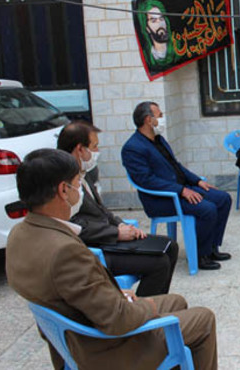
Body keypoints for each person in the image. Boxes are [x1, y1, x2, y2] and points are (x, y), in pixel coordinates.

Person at [6, 149, 217, 369]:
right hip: (103, 348)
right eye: (77, 183)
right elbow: (117, 320)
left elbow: (72, 292)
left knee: (176, 301)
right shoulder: (64, 252)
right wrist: (147, 307)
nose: (80, 190)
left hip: (77, 327)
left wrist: (115, 293)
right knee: (203, 319)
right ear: (63, 190)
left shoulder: (20, 234)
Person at [57, 120, 178, 297]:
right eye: (94, 146)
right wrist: (116, 233)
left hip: (108, 236)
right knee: (159, 263)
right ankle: (141, 309)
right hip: (94, 247)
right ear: (80, 149)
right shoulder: (65, 182)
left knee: (170, 246)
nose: (97, 152)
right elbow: (74, 225)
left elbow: (101, 209)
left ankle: (158, 303)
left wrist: (121, 225)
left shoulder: (84, 173)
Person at [122, 101, 232, 271]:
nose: (163, 118)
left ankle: (211, 247)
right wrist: (181, 190)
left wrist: (197, 181)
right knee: (207, 209)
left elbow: (176, 166)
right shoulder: (132, 148)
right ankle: (199, 255)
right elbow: (146, 180)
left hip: (181, 189)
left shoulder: (159, 139)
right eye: (160, 115)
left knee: (223, 199)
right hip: (162, 199)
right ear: (148, 120)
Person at [137, 0, 177, 68]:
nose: (160, 23)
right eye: (154, 21)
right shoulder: (148, 57)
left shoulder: (177, 47)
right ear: (147, 28)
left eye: (161, 19)